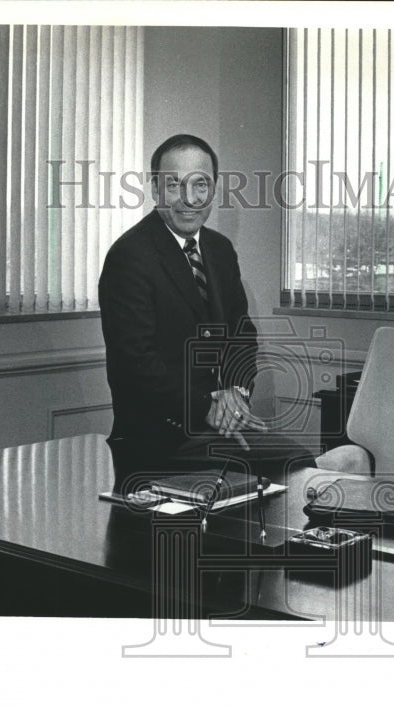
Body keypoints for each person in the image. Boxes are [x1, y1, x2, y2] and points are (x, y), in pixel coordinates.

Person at [99, 134, 272, 484]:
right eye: (174, 185)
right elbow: (137, 364)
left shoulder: (220, 250)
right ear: (156, 189)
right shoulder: (130, 256)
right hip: (155, 443)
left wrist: (236, 395)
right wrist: (210, 409)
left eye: (201, 185)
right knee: (287, 468)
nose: (189, 199)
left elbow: (241, 335)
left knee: (291, 470)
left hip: (215, 430)